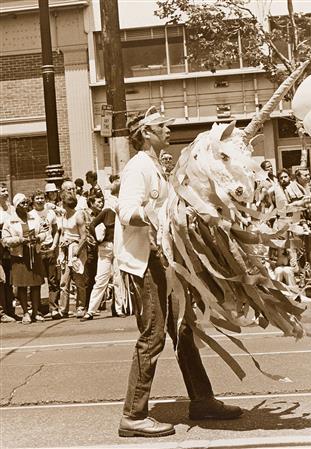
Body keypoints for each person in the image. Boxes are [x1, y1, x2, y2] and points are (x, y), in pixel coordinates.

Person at [115, 106, 242, 438]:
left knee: (183, 331)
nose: (168, 131)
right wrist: (153, 216)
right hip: (142, 265)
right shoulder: (138, 168)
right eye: (161, 127)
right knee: (152, 336)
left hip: (164, 263)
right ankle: (133, 415)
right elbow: (126, 211)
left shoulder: (157, 166)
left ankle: (202, 400)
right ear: (145, 133)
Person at [81, 182, 123, 321]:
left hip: (117, 247)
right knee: (101, 279)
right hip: (106, 247)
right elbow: (92, 225)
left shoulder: (120, 211)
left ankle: (119, 308)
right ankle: (91, 310)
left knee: (118, 279)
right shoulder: (107, 212)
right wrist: (98, 239)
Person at [2, 193, 46, 324]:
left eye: (26, 202)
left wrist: (38, 238)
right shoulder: (10, 221)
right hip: (19, 256)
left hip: (34, 253)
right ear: (16, 206)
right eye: (22, 203)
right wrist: (20, 240)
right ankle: (26, 312)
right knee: (22, 285)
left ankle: (36, 312)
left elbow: (44, 231)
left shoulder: (34, 217)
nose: (25, 205)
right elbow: (5, 240)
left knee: (36, 284)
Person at [29, 190, 61, 319]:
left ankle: (54, 308)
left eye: (42, 198)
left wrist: (54, 246)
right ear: (33, 200)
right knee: (37, 281)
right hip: (38, 250)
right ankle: (39, 310)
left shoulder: (51, 213)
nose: (40, 200)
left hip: (50, 248)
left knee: (53, 280)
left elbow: (56, 230)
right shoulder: (30, 215)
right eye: (37, 198)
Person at [58, 190, 88, 318]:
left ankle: (81, 307)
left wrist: (77, 251)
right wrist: (61, 252)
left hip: (76, 248)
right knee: (64, 281)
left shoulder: (78, 215)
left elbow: (84, 236)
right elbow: (62, 234)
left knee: (79, 280)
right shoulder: (64, 216)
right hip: (66, 249)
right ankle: (63, 309)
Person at [0, 184, 18, 321]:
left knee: (10, 279)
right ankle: (2, 312)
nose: (6, 193)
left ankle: (10, 310)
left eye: (6, 190)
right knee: (1, 279)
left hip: (10, 248)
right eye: (2, 191)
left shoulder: (12, 208)